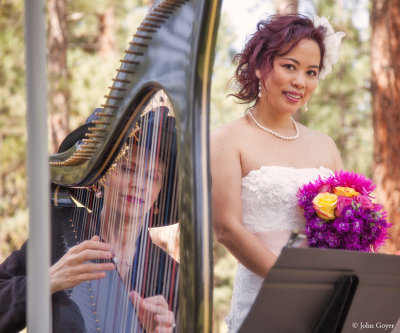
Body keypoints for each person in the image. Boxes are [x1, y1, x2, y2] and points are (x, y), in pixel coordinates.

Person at [210, 14, 345, 332]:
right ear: (260, 66)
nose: (301, 81)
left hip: (328, 301)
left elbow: (349, 222)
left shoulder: (325, 145)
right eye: (290, 66)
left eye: (311, 72)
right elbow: (226, 229)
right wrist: (294, 287)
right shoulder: (226, 140)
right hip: (264, 298)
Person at [0, 109, 178, 333]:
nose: (139, 184)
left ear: (159, 194)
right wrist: (50, 280)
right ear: (101, 178)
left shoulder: (170, 272)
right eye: (127, 169)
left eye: (152, 176)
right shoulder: (58, 236)